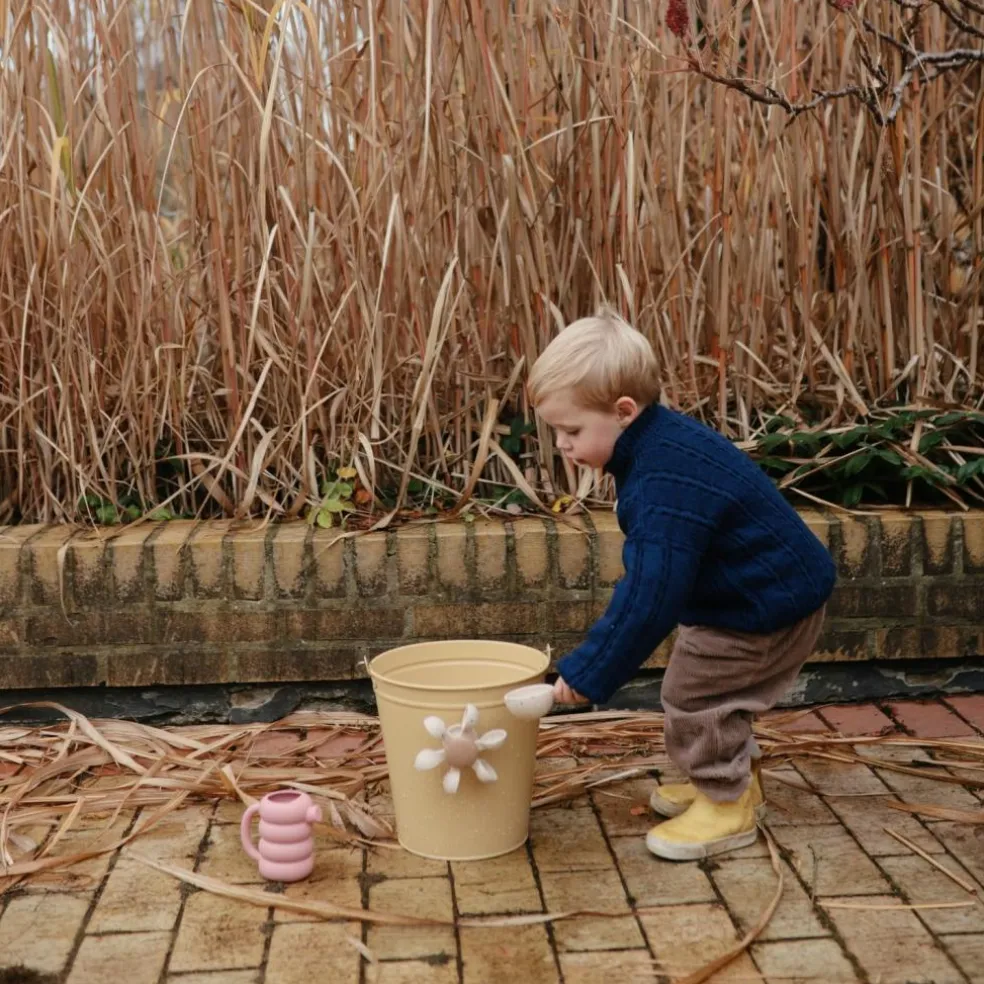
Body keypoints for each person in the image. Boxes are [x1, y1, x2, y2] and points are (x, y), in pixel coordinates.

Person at [527, 309, 836, 861]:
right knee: (710, 688)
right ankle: (733, 781)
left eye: (571, 430)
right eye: (557, 431)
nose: (563, 445)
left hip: (764, 603)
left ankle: (727, 803)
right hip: (754, 590)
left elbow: (650, 595)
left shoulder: (661, 482)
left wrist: (587, 675)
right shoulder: (656, 444)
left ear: (623, 412)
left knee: (696, 695)